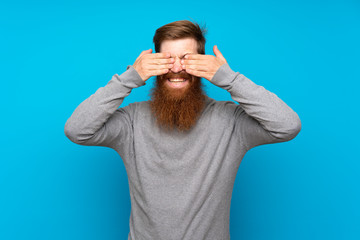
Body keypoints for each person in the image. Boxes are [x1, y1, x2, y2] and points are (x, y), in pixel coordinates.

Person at [64, 20, 301, 240]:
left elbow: (287, 126)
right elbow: (77, 130)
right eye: (167, 59)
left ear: (203, 63)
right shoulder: (132, 121)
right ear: (154, 63)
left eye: (187, 59)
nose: (177, 68)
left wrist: (229, 78)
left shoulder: (231, 121)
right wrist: (131, 77)